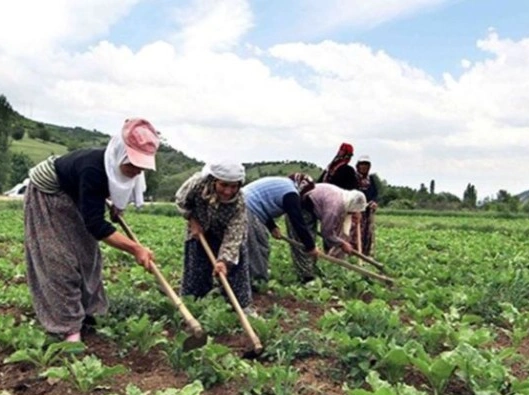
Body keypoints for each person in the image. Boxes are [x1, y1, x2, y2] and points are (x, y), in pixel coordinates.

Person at [24, 118, 160, 343]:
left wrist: (118, 205)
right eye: (132, 166)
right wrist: (135, 248)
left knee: (88, 255)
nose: (136, 171)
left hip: (74, 193)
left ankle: (91, 313)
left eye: (141, 167)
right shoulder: (93, 169)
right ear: (119, 156)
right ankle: (66, 327)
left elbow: (119, 187)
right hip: (48, 193)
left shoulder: (127, 169)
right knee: (58, 259)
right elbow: (96, 225)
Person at [175, 161, 255, 314]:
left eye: (233, 186)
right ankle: (192, 304)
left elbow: (234, 234)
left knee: (236, 267)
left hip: (225, 231)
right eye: (223, 185)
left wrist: (223, 261)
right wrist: (192, 220)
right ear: (213, 181)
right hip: (199, 226)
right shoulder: (197, 185)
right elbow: (181, 200)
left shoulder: (239, 202)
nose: (228, 191)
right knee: (196, 264)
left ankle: (241, 306)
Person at [287, 176, 367, 283]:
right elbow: (327, 233)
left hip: (310, 207)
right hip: (300, 207)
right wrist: (342, 243)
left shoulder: (344, 196)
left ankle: (310, 271)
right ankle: (306, 277)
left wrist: (356, 213)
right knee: (304, 242)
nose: (352, 214)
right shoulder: (334, 207)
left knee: (310, 240)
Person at [242, 176, 318, 287]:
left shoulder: (285, 185)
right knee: (259, 247)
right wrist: (310, 246)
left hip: (246, 204)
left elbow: (262, 200)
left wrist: (272, 227)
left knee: (247, 246)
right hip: (248, 209)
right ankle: (258, 282)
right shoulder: (291, 193)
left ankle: (248, 277)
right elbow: (298, 222)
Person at [355, 155, 378, 256]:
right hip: (356, 209)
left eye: (366, 165)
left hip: (368, 210)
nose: (364, 167)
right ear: (358, 166)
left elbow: (374, 193)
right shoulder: (354, 178)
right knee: (357, 231)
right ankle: (356, 253)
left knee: (367, 232)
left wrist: (373, 202)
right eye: (362, 165)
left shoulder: (371, 179)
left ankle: (366, 253)